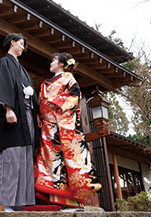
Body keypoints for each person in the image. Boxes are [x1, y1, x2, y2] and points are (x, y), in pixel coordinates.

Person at [34, 52, 101, 211]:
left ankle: (74, 202)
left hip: (63, 126)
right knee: (52, 163)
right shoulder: (45, 83)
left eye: (54, 60)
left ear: (62, 64)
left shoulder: (69, 79)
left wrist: (54, 107)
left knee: (68, 162)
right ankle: (58, 202)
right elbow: (41, 103)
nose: (51, 63)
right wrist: (39, 114)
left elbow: (73, 97)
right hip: (48, 128)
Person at [0, 33, 40, 212]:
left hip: (27, 116)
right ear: (12, 43)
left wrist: (35, 112)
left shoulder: (23, 69)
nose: (22, 48)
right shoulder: (4, 63)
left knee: (25, 158)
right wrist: (8, 108)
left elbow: (31, 94)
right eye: (21, 44)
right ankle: (9, 203)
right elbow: (4, 86)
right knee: (11, 157)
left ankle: (21, 202)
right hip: (13, 116)